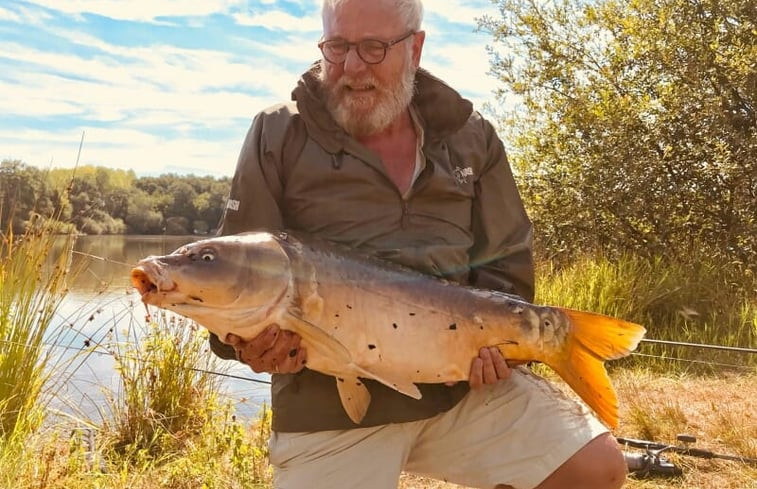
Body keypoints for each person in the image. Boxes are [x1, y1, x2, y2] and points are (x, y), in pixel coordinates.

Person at [210, 0, 627, 487]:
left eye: (373, 48)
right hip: (330, 411)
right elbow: (234, 271)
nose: (351, 67)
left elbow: (507, 264)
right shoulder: (278, 131)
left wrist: (501, 348)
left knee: (596, 468)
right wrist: (241, 344)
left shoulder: (472, 137)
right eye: (337, 47)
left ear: (415, 47)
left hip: (461, 392)